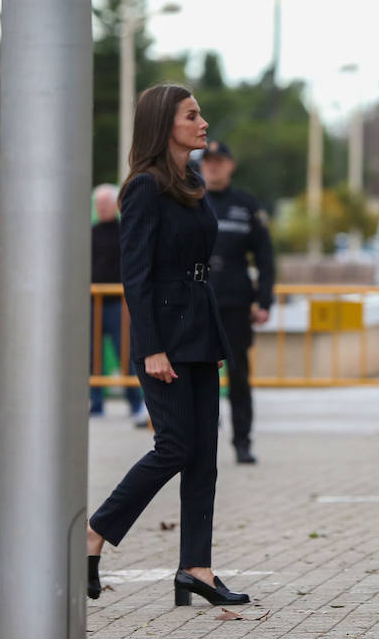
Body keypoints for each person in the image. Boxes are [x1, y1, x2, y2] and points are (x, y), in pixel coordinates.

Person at [86, 84, 249, 608]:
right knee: (175, 445)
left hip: (201, 328)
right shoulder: (143, 188)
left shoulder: (192, 181)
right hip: (166, 336)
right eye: (192, 115)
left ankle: (196, 568)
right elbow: (137, 275)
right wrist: (151, 347)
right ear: (166, 125)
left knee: (204, 454)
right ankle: (93, 535)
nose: (203, 124)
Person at [200, 140, 275, 465]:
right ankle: (201, 443)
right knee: (198, 377)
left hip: (234, 302)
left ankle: (242, 442)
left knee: (239, 376)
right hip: (198, 302)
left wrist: (264, 300)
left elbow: (265, 256)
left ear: (230, 165)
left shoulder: (246, 205)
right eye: (208, 161)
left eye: (219, 161)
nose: (213, 167)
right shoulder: (191, 199)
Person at [90, 183, 146, 424]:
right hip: (92, 304)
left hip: (119, 304)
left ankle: (136, 403)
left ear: (115, 205)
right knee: (91, 358)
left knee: (126, 355)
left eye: (105, 203)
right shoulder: (89, 233)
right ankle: (96, 404)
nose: (101, 208)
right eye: (98, 204)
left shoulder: (127, 231)